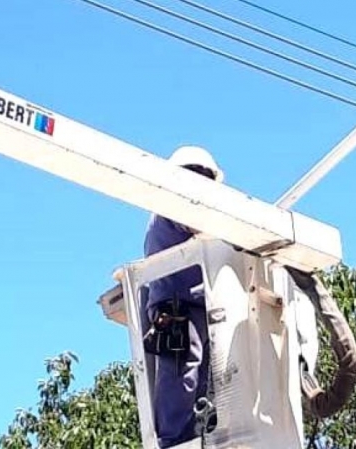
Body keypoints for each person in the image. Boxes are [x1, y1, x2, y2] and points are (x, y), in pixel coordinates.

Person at [142, 145, 224, 448]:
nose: (200, 183)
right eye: (196, 176)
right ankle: (173, 439)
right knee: (181, 369)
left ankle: (190, 435)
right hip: (174, 305)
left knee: (202, 377)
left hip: (198, 304)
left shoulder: (192, 210)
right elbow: (193, 222)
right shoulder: (171, 205)